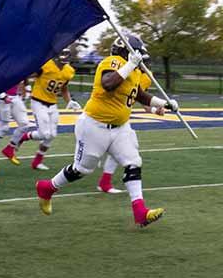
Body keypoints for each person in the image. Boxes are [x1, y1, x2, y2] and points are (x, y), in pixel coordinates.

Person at [36, 34, 178, 227]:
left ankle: (140, 212)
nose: (141, 57)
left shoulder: (134, 71)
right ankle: (47, 188)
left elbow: (140, 96)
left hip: (119, 128)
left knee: (133, 162)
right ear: (128, 51)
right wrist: (129, 65)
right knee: (82, 169)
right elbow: (108, 84)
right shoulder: (112, 62)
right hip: (95, 125)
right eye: (138, 53)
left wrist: (166, 104)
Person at [96, 56, 162, 194]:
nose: (146, 65)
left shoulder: (144, 77)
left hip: (122, 117)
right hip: (106, 113)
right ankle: (105, 178)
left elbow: (143, 101)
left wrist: (156, 109)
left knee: (131, 147)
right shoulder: (125, 68)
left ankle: (106, 181)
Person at [18, 48, 81, 170]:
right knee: (44, 134)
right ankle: (23, 137)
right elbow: (26, 75)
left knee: (52, 135)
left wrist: (69, 101)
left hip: (52, 104)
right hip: (38, 101)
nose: (63, 63)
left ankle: (37, 161)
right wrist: (24, 87)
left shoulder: (69, 71)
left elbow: (63, 88)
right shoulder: (46, 66)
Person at [0, 81, 31, 172]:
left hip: (15, 96)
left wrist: (28, 91)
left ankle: (9, 149)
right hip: (1, 97)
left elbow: (25, 77)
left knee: (24, 124)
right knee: (4, 128)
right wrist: (3, 95)